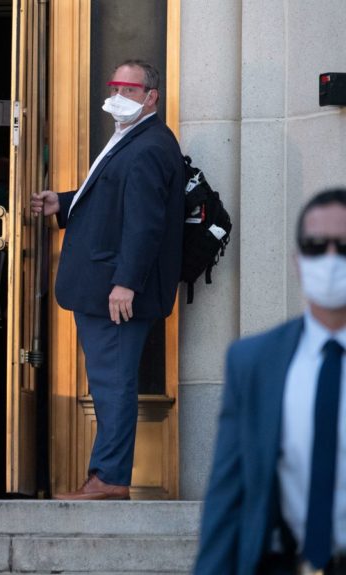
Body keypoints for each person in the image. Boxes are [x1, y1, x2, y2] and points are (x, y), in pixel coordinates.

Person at [31, 59, 184, 500]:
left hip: (114, 292)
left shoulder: (150, 145)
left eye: (131, 89)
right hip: (103, 286)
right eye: (115, 85)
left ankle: (110, 479)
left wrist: (125, 283)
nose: (119, 94)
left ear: (151, 96)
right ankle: (106, 476)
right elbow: (110, 198)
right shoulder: (130, 138)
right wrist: (62, 202)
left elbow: (144, 223)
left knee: (113, 383)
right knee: (108, 381)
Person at [196, 189, 346, 574]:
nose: (330, 259)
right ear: (298, 262)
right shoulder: (254, 361)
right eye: (316, 246)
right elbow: (228, 496)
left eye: (343, 246)